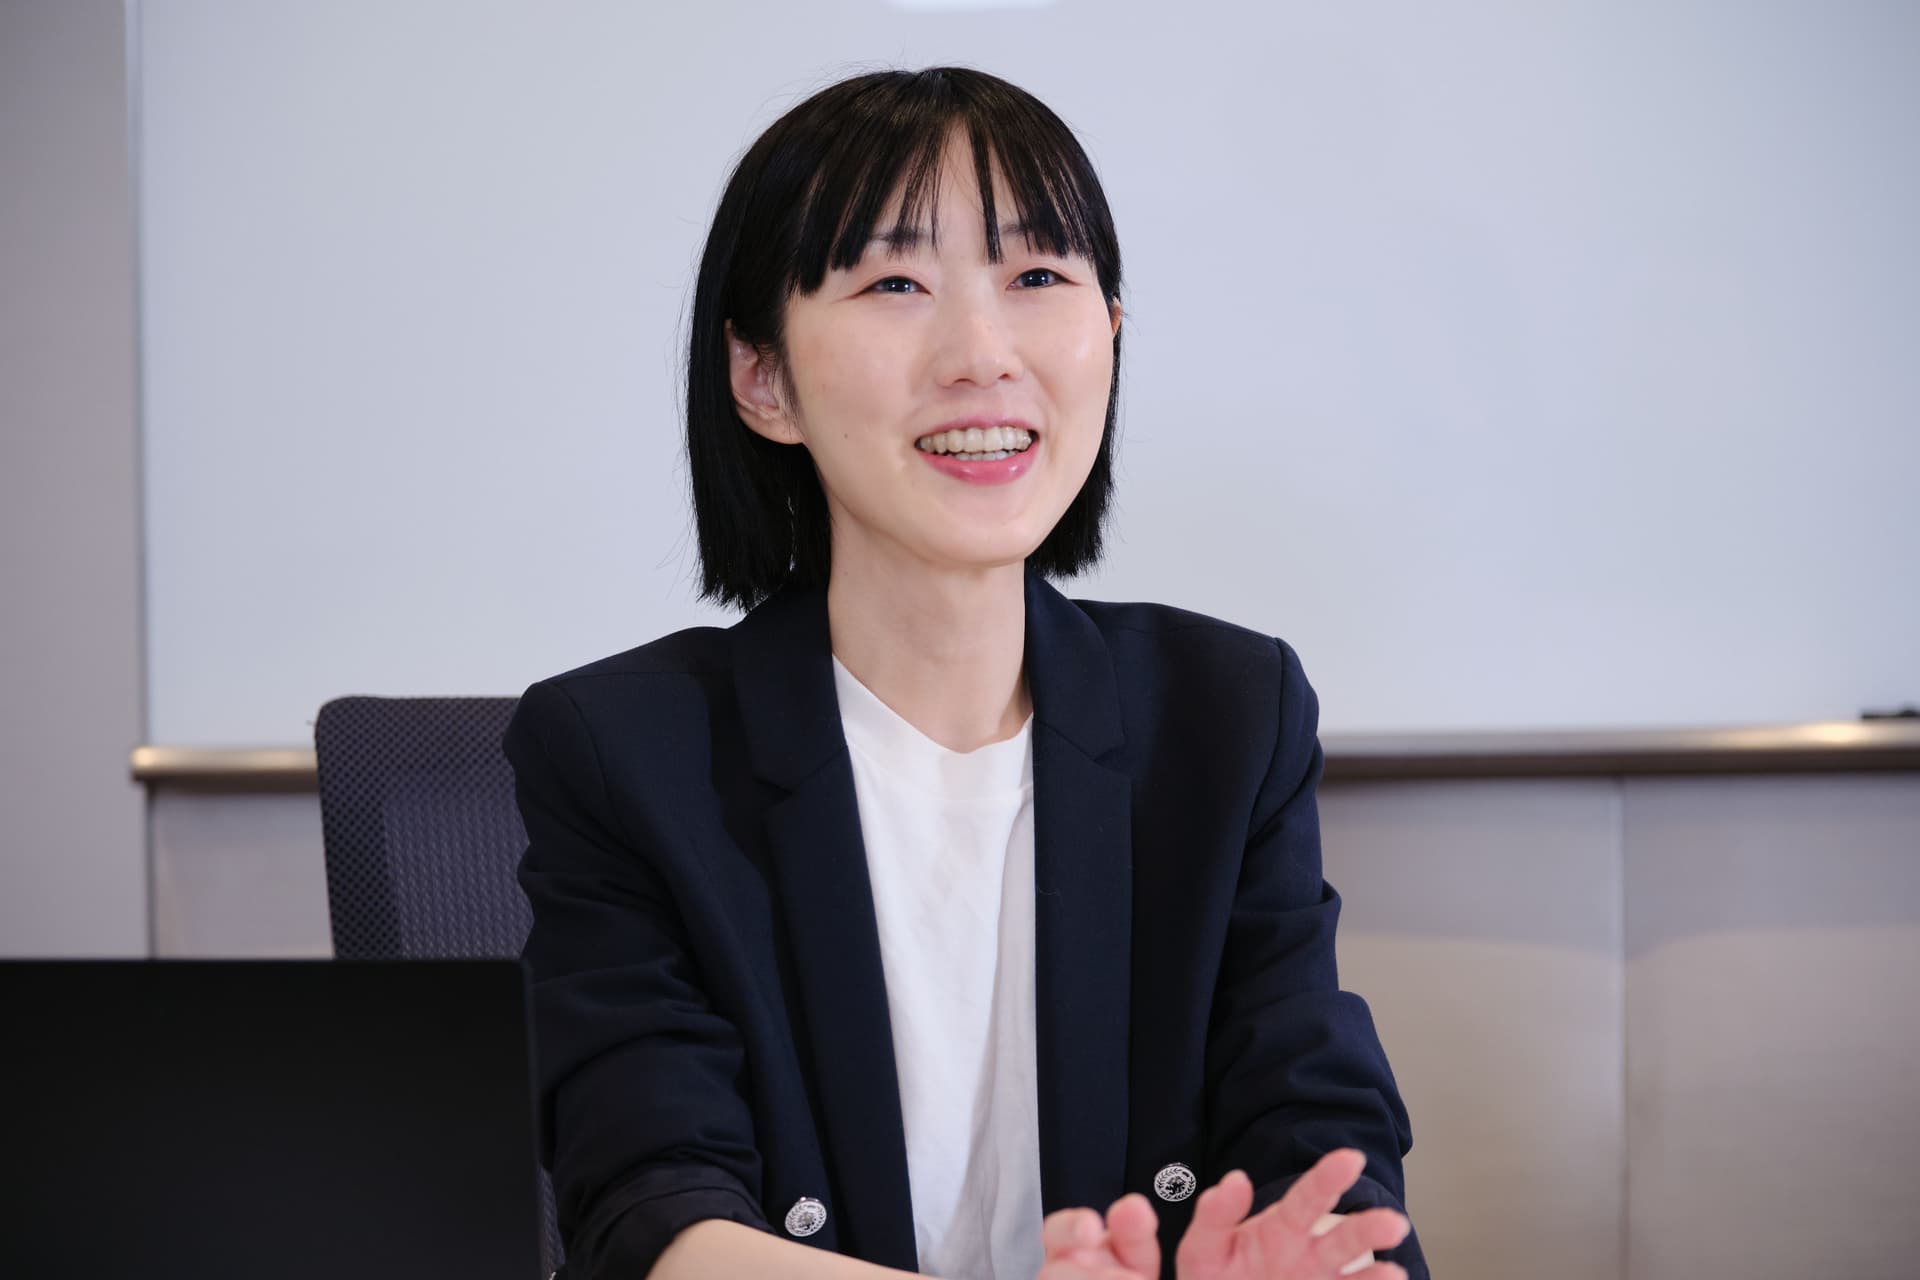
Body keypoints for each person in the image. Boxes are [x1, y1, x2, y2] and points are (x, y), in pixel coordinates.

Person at [505, 66, 1428, 1280]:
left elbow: (1322, 1144)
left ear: (1109, 332)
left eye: (1039, 277)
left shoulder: (1228, 715)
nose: (982, 353)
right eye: (894, 283)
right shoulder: (623, 749)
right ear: (762, 377)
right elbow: (654, 1213)